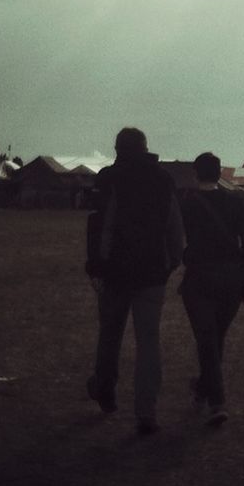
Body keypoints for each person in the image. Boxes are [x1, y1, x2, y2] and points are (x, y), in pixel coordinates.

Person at [84, 127, 184, 435]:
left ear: (118, 149)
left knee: (110, 335)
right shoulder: (163, 180)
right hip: (153, 272)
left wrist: (97, 266)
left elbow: (100, 226)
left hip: (114, 271)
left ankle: (104, 387)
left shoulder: (108, 179)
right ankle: (146, 412)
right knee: (148, 342)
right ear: (145, 148)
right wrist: (170, 262)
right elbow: (174, 227)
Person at [179, 152, 244, 427]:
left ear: (196, 173)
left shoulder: (187, 203)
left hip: (199, 278)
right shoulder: (235, 201)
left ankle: (217, 402)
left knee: (207, 338)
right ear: (220, 172)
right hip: (231, 279)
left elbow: (179, 240)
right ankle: (203, 388)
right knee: (216, 338)